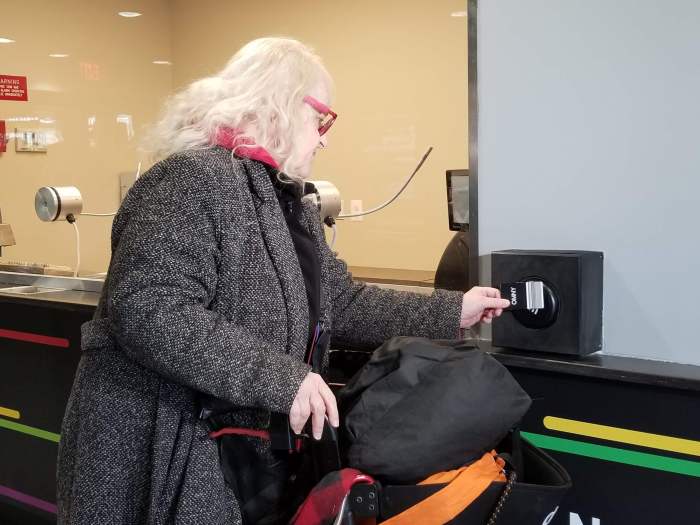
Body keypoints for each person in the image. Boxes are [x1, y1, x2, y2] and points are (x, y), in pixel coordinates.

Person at [56, 37, 510, 524]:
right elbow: (149, 310)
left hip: (229, 451)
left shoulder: (283, 198)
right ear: (280, 104)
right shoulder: (189, 179)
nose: (325, 138)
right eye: (322, 120)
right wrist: (280, 378)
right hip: (157, 444)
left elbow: (342, 300)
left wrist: (451, 311)